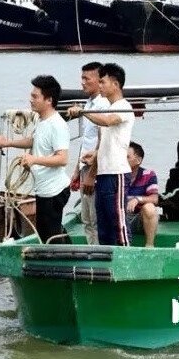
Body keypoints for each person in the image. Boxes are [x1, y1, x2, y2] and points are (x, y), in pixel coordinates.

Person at [0, 75, 70, 244]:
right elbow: (35, 141)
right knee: (47, 231)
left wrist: (34, 159)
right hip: (44, 188)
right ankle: (64, 257)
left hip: (54, 190)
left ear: (49, 100)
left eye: (35, 96)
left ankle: (62, 265)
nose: (30, 100)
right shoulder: (42, 120)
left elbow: (62, 159)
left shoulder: (57, 124)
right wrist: (8, 142)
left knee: (49, 235)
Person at [68, 63, 135, 246]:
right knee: (103, 221)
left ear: (115, 84)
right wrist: (94, 156)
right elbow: (104, 141)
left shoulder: (123, 107)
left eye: (103, 82)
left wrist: (83, 112)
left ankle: (126, 254)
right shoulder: (109, 107)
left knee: (117, 219)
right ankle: (105, 255)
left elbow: (107, 121)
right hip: (103, 173)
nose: (101, 86)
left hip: (117, 172)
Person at [70, 61, 110, 245]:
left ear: (99, 80)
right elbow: (86, 140)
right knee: (86, 218)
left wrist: (91, 175)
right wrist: (77, 171)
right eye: (82, 78)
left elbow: (102, 141)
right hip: (85, 166)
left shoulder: (102, 104)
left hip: (96, 168)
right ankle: (90, 249)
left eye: (87, 78)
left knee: (95, 218)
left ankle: (98, 252)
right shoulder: (89, 103)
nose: (83, 82)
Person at [125, 142, 160, 247]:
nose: (122, 160)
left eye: (127, 157)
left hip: (138, 218)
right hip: (120, 217)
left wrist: (137, 199)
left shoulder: (148, 175)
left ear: (138, 160)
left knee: (149, 207)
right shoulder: (115, 175)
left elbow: (155, 199)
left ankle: (149, 245)